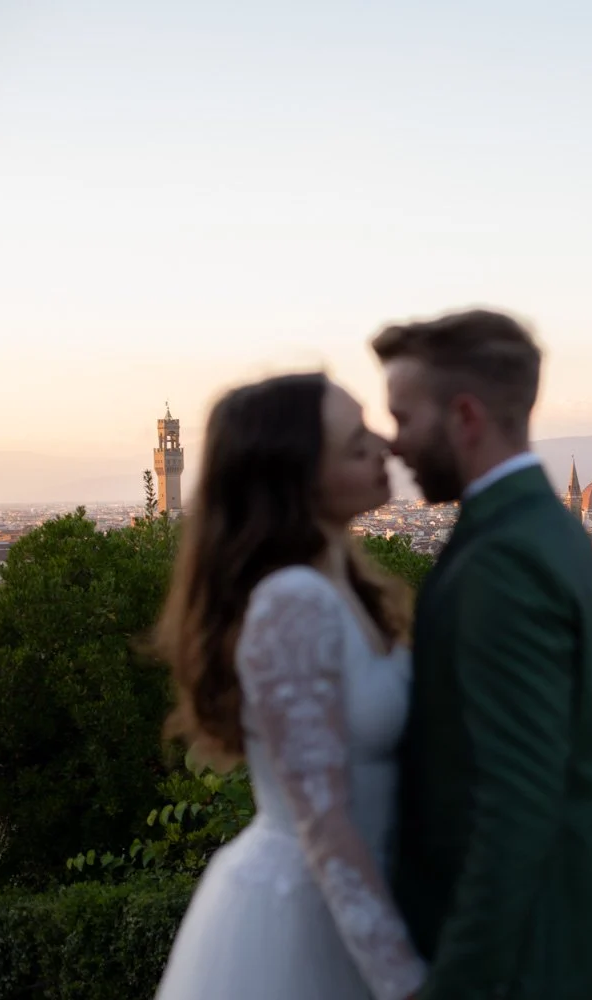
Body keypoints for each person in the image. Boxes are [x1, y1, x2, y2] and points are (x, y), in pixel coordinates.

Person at [155, 372, 428, 1000]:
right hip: (304, 926)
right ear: (298, 476)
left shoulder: (342, 587)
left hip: (333, 912)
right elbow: (325, 825)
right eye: (356, 444)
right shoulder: (294, 600)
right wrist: (405, 982)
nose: (385, 447)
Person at [375, 309, 592, 999]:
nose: (394, 443)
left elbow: (513, 812)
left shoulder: (503, 559)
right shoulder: (545, 533)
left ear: (464, 416)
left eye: (403, 418)